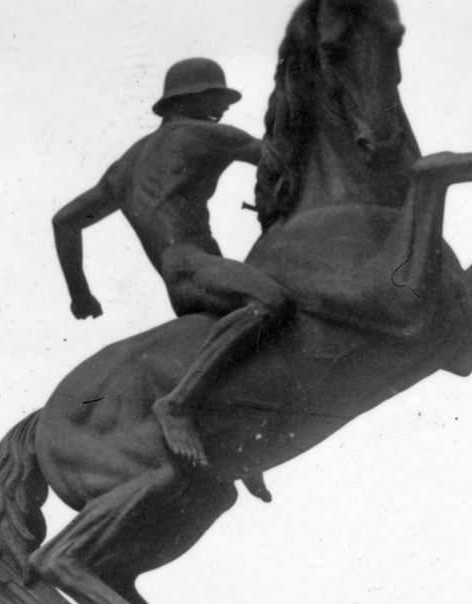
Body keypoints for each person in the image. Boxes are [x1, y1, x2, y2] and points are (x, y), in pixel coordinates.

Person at [52, 57, 292, 477]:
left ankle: (232, 434)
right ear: (195, 99)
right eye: (217, 99)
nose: (224, 110)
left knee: (249, 340)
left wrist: (80, 293)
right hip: (196, 265)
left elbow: (65, 221)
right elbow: (285, 162)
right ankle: (178, 405)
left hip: (177, 278)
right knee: (269, 301)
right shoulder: (207, 135)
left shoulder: (125, 165)